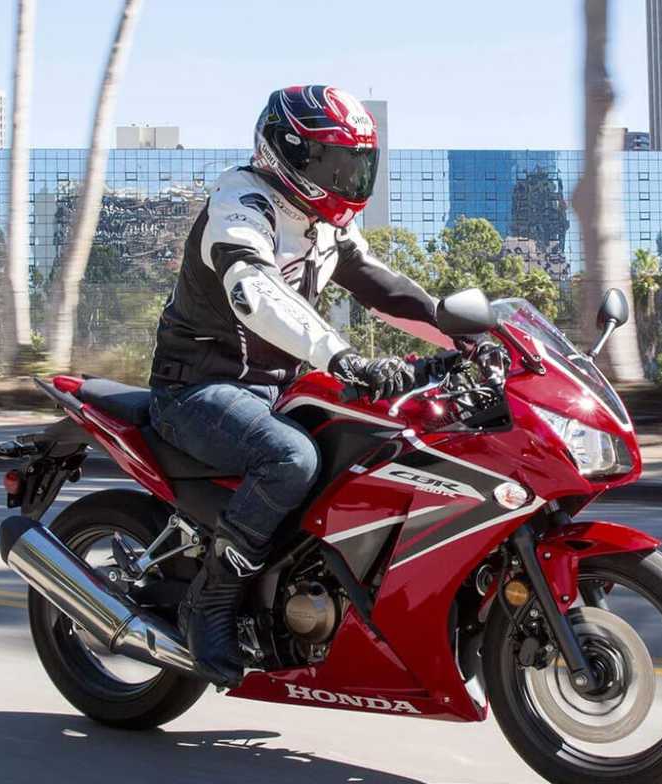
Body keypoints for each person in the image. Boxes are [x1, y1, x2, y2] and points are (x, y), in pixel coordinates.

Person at [147, 85, 444, 686]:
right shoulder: (242, 204)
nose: (349, 178)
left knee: (385, 438)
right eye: (334, 163)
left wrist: (460, 330)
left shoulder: (321, 223)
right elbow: (254, 292)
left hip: (276, 388)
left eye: (358, 164)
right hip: (199, 391)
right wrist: (343, 358)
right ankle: (213, 599)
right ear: (287, 152)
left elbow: (382, 287)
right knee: (291, 457)